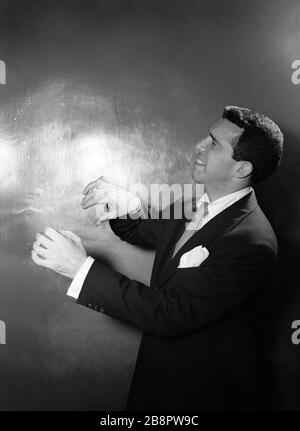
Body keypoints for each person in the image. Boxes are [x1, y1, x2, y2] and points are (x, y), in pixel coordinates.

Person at [31, 106, 284, 410]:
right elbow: (143, 233)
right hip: (156, 381)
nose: (199, 146)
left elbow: (171, 315)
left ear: (241, 168)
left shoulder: (252, 243)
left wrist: (79, 269)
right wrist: (127, 205)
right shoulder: (194, 204)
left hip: (203, 394)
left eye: (214, 143)